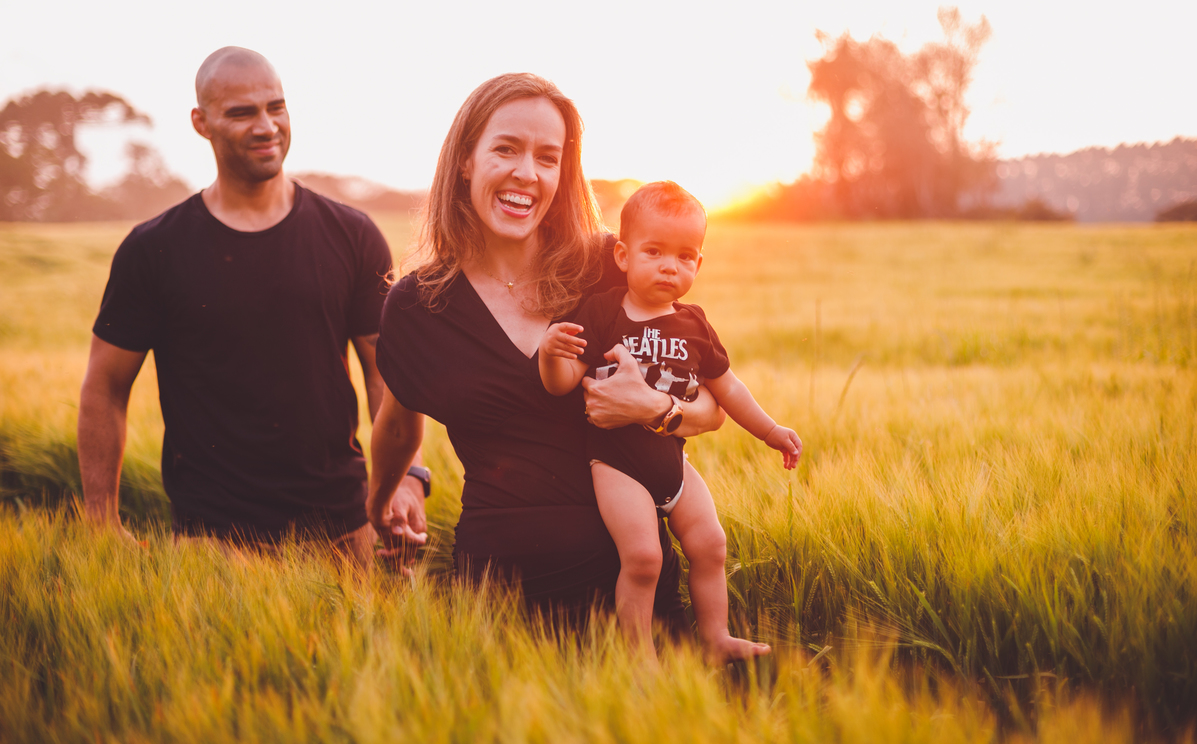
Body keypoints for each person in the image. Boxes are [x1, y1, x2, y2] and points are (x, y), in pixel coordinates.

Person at [369, 73, 739, 637]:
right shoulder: (419, 304)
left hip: (631, 588)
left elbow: (711, 408)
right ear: (465, 160)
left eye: (548, 156)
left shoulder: (611, 268)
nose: (527, 173)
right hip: (496, 597)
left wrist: (652, 409)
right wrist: (382, 498)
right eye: (506, 149)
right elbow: (398, 424)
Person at [78, 46, 428, 565]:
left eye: (276, 107)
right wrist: (100, 521)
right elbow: (105, 386)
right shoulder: (153, 249)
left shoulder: (352, 235)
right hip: (210, 545)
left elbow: (388, 377)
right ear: (202, 123)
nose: (267, 126)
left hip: (345, 532)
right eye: (242, 112)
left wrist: (406, 480)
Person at [539, 181, 802, 660]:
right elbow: (562, 384)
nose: (669, 265)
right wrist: (549, 355)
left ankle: (715, 638)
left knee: (711, 543)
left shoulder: (695, 324)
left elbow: (728, 389)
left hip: (674, 463)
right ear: (622, 255)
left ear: (698, 265)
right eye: (654, 251)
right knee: (643, 559)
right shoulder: (601, 312)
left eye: (684, 256)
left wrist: (770, 431)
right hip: (616, 465)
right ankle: (640, 661)